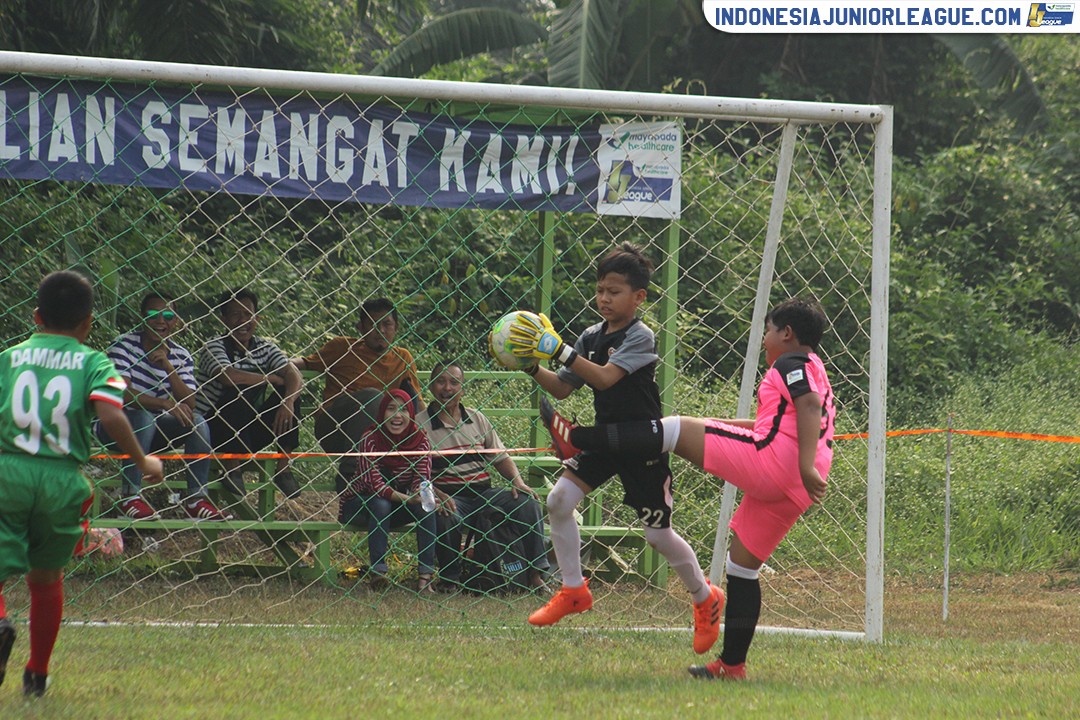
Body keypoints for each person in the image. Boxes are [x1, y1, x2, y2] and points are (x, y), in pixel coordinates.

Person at [528, 297, 835, 681]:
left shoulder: (791, 362)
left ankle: (578, 438)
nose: (765, 340)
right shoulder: (817, 367)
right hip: (795, 484)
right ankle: (732, 665)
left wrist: (803, 465)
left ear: (787, 334)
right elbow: (771, 421)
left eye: (770, 331)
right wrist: (709, 426)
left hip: (780, 464)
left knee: (675, 431)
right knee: (741, 568)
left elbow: (806, 405)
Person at [507, 242, 724, 655]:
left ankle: (704, 597)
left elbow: (606, 379)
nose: (604, 298)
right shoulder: (589, 336)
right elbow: (564, 387)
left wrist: (559, 350)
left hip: (643, 441)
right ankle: (573, 590)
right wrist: (533, 365)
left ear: (639, 297)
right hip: (606, 438)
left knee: (657, 536)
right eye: (600, 290)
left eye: (615, 291)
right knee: (559, 500)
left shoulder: (641, 336)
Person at [0, 271, 164, 697]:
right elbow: (111, 415)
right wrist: (143, 460)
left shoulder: (9, 358)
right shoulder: (94, 363)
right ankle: (36, 674)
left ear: (36, 315)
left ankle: (1, 622)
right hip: (62, 480)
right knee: (46, 577)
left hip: (8, 472)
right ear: (88, 323)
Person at [416, 361, 550, 593]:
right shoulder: (419, 424)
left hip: (484, 494)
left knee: (528, 502)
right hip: (451, 496)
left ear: (462, 389)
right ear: (430, 386)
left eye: (454, 382)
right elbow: (415, 474)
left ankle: (535, 573)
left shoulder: (477, 419)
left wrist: (517, 482)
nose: (447, 387)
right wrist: (438, 495)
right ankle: (451, 579)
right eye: (440, 381)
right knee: (446, 515)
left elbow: (501, 457)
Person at [99, 292, 230, 520]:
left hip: (155, 430)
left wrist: (169, 367)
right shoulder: (123, 346)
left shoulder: (180, 354)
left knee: (197, 422)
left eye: (168, 315)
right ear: (142, 318)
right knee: (143, 416)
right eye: (153, 315)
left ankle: (195, 499)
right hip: (115, 426)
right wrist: (163, 403)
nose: (161, 321)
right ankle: (130, 496)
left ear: (176, 321)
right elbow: (123, 393)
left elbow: (190, 402)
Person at [196, 288, 304, 499]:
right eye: (236, 314)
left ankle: (283, 468)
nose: (243, 320)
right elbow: (229, 377)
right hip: (214, 429)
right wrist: (268, 378)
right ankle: (232, 469)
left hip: (246, 429)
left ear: (256, 317)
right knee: (241, 388)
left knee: (289, 391)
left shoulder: (264, 347)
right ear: (224, 319)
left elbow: (293, 374)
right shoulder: (214, 346)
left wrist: (288, 402)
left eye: (248, 314)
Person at [292, 297, 423, 457]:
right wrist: (272, 363)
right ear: (361, 327)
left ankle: (373, 470)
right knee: (372, 396)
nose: (380, 330)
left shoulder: (402, 358)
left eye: (386, 324)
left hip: (381, 433)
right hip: (335, 426)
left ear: (396, 327)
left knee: (391, 408)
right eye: (373, 324)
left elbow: (419, 403)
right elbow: (302, 363)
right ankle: (353, 470)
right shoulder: (342, 348)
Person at [339, 389, 437, 592]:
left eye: (403, 410)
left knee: (427, 507)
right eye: (391, 409)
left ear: (411, 414)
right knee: (380, 503)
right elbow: (374, 485)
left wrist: (419, 494)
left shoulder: (420, 440)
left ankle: (425, 578)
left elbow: (421, 479)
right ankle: (378, 573)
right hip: (360, 505)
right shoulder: (371, 438)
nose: (397, 415)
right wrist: (408, 499)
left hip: (396, 506)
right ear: (382, 412)